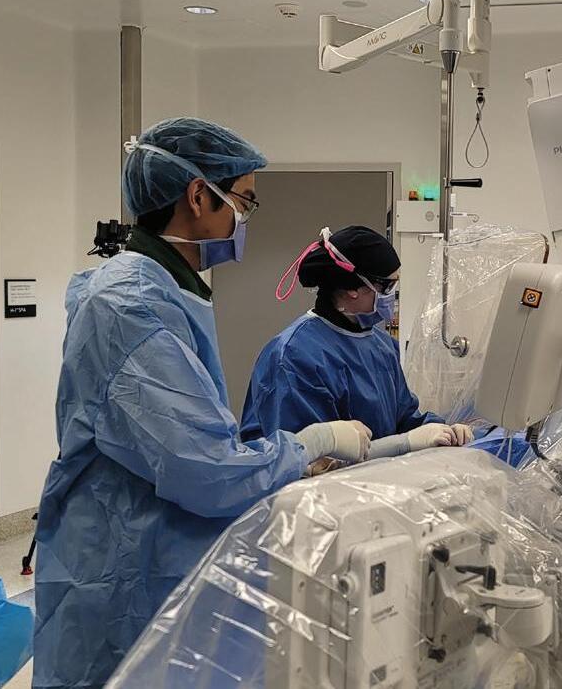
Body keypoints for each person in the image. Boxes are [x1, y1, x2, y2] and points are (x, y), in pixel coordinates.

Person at [32, 118, 371, 688]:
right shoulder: (130, 306)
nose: (245, 219)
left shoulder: (165, 292)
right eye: (244, 201)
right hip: (121, 568)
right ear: (197, 196)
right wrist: (310, 443)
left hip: (151, 550)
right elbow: (205, 468)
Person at [242, 225, 473, 463]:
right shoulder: (293, 356)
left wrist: (444, 432)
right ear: (354, 288)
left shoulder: (382, 346)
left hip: (378, 481)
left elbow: (405, 419)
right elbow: (311, 463)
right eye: (388, 287)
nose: (392, 296)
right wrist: (404, 443)